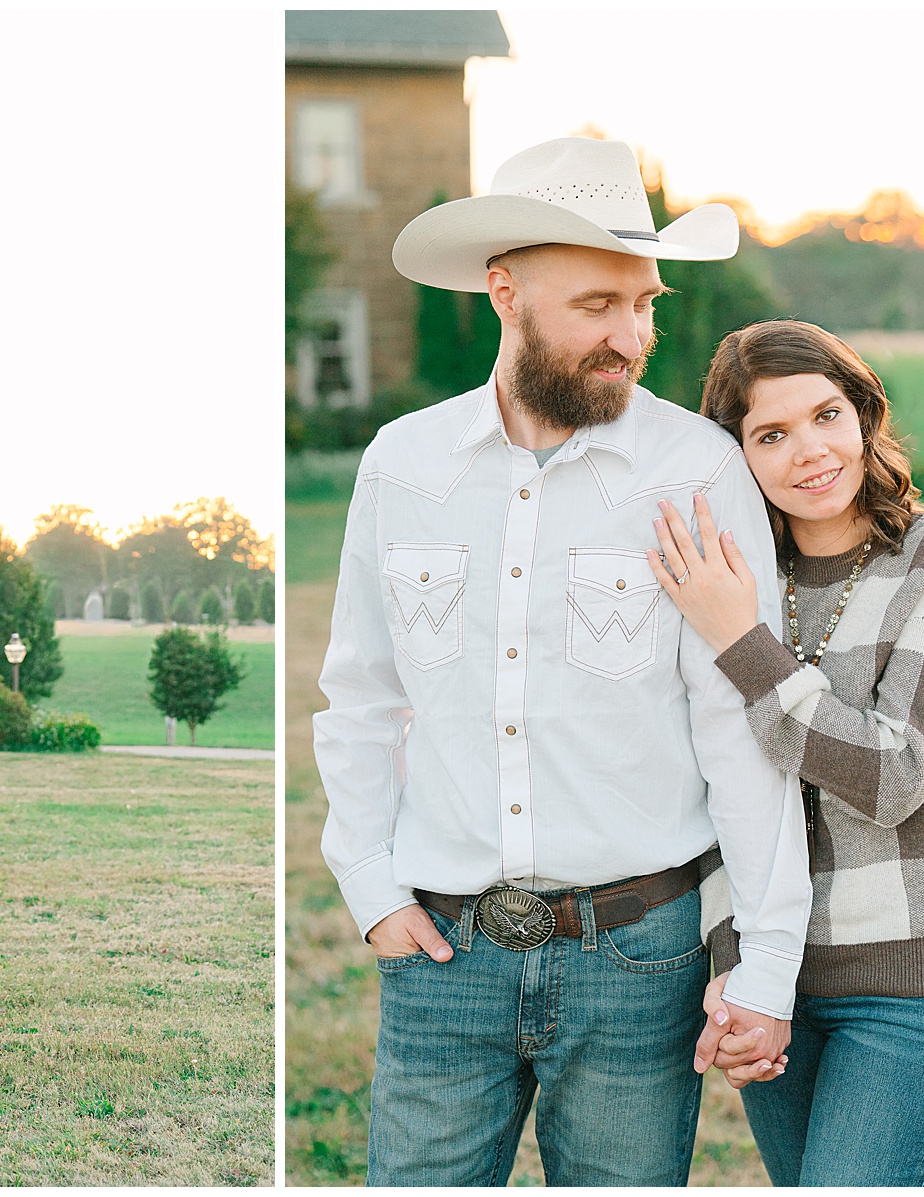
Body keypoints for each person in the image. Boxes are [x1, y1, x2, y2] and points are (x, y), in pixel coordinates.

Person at [313, 136, 811, 1187]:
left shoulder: (698, 471)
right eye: (596, 305)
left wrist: (767, 961)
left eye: (644, 304)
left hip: (639, 957)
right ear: (505, 292)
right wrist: (368, 883)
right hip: (441, 956)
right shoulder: (402, 465)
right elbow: (361, 695)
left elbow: (742, 730)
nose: (630, 336)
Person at [652, 320, 924, 1186]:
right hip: (780, 983)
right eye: (771, 434)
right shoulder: (739, 577)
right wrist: (738, 962)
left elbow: (894, 776)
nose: (810, 451)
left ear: (864, 413)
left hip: (917, 985)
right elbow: (712, 791)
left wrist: (742, 643)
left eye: (826, 415)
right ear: (736, 452)